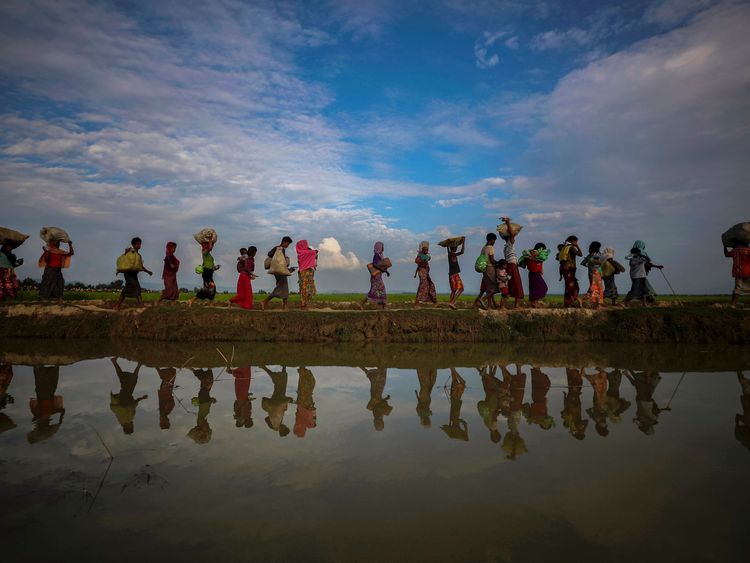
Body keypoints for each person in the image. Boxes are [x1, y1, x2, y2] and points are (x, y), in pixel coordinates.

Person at [27, 365, 65, 443]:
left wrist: (61, 416)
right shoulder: (41, 414)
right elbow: (62, 411)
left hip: (45, 393)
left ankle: (46, 367)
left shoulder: (43, 413)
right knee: (45, 376)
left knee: (44, 376)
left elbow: (62, 411)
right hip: (46, 393)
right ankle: (45, 367)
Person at [109, 357, 147, 435]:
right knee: (132, 381)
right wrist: (141, 398)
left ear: (128, 427)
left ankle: (115, 362)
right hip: (127, 397)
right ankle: (139, 364)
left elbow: (126, 407)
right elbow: (133, 406)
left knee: (128, 381)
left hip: (123, 399)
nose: (133, 425)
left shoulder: (123, 420)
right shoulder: (129, 419)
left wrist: (137, 401)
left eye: (131, 427)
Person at [114, 237, 153, 310]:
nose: (139, 245)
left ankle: (118, 306)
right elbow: (124, 262)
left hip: (134, 275)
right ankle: (140, 305)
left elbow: (140, 266)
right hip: (128, 274)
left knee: (129, 290)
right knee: (136, 288)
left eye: (140, 244)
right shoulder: (130, 252)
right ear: (133, 244)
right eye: (137, 244)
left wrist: (148, 272)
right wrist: (126, 252)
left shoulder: (139, 255)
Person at [262, 236, 296, 311]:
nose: (288, 245)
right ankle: (265, 301)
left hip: (277, 271)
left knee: (284, 287)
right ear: (284, 242)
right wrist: (288, 269)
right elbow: (282, 263)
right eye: (288, 244)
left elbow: (270, 254)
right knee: (280, 287)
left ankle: (285, 305)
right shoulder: (281, 248)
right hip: (280, 271)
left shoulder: (277, 248)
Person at [624, 370, 662, 435]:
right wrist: (658, 410)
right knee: (640, 385)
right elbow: (654, 410)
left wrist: (657, 409)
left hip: (643, 400)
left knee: (639, 384)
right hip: (645, 400)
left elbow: (640, 419)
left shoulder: (649, 420)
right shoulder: (651, 419)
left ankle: (629, 371)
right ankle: (629, 371)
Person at [259, 365, 293, 436]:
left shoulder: (276, 424)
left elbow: (278, 406)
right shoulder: (276, 424)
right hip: (276, 399)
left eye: (285, 427)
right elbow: (267, 418)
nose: (285, 425)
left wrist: (288, 400)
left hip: (276, 401)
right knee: (280, 384)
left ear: (282, 429)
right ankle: (283, 367)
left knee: (280, 383)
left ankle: (282, 366)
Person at [38, 239, 74, 304]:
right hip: (50, 269)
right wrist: (46, 251)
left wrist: (70, 244)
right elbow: (46, 260)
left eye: (59, 243)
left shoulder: (60, 251)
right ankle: (43, 298)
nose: (59, 244)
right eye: (58, 243)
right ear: (55, 244)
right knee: (47, 283)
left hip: (57, 270)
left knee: (60, 283)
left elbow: (71, 253)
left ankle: (60, 298)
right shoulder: (49, 251)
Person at [499, 217, 524, 308]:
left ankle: (504, 305)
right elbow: (512, 234)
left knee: (510, 285)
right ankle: (515, 305)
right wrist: (508, 222)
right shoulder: (509, 244)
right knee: (516, 285)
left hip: (511, 266)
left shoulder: (506, 246)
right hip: (512, 267)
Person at [188, 368, 217, 444]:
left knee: (207, 383)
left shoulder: (200, 422)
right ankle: (207, 369)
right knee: (207, 383)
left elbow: (201, 419)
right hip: (205, 399)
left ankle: (195, 370)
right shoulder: (205, 417)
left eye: (206, 429)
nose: (207, 427)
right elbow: (207, 407)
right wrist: (211, 400)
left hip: (203, 400)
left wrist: (201, 430)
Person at [189, 239, 220, 307]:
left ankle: (193, 300)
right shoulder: (204, 252)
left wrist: (215, 268)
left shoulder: (208, 255)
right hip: (206, 273)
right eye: (209, 245)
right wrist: (211, 241)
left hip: (209, 272)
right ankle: (193, 300)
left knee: (208, 289)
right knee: (212, 287)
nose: (212, 246)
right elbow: (210, 248)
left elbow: (207, 265)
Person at [522, 366, 555, 430]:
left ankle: (536, 366)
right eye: (547, 424)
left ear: (542, 425)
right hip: (540, 396)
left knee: (538, 381)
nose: (545, 423)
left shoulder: (535, 420)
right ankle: (536, 366)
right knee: (542, 382)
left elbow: (527, 408)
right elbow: (545, 403)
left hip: (537, 397)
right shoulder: (545, 415)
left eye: (544, 425)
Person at [441, 368, 469, 441]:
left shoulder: (454, 419)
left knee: (462, 382)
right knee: (455, 380)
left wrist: (462, 422)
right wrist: (460, 422)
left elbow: (465, 424)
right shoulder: (453, 420)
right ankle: (452, 368)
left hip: (456, 399)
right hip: (454, 399)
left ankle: (453, 369)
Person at [359, 242, 389, 310]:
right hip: (375, 277)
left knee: (380, 290)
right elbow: (375, 264)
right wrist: (382, 268)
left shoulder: (380, 255)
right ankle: (361, 304)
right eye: (382, 247)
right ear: (379, 247)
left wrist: (386, 271)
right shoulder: (376, 255)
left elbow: (380, 265)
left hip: (378, 276)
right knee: (377, 290)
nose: (383, 248)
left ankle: (384, 306)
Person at [477, 365, 503, 443]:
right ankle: (488, 367)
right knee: (487, 382)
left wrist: (501, 411)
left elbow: (494, 415)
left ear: (497, 434)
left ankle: (489, 368)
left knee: (496, 385)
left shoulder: (494, 426)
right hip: (487, 402)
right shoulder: (488, 426)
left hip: (492, 403)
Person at [361, 366, 392, 431]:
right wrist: (385, 399)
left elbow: (376, 407)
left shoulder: (377, 416)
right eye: (379, 425)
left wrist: (383, 404)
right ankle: (381, 366)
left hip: (376, 393)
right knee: (377, 379)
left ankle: (382, 365)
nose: (377, 424)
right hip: (377, 393)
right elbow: (379, 404)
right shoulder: (379, 416)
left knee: (378, 378)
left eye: (377, 425)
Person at [561, 367, 588, 440]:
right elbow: (586, 422)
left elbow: (565, 409)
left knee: (572, 382)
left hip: (571, 399)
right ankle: (574, 367)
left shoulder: (570, 423)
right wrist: (582, 430)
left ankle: (570, 366)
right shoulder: (578, 424)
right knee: (575, 383)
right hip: (575, 400)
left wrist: (564, 397)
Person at [474, 233, 498, 309]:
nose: (494, 242)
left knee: (489, 288)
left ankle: (490, 305)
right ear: (491, 240)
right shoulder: (490, 247)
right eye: (494, 240)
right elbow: (492, 260)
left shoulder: (483, 248)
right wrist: (499, 262)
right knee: (494, 288)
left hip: (484, 269)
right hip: (490, 268)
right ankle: (483, 300)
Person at [583, 367, 609, 437]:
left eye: (603, 426)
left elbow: (589, 411)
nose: (604, 425)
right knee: (602, 386)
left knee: (599, 386)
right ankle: (601, 372)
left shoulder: (597, 419)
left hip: (598, 400)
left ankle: (600, 373)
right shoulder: (599, 420)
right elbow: (589, 411)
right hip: (602, 400)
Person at [558, 236, 583, 308]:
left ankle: (568, 303)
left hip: (564, 269)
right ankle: (575, 300)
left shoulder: (564, 247)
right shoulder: (571, 248)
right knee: (572, 286)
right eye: (576, 241)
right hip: (570, 269)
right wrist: (577, 246)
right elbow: (580, 254)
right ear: (573, 241)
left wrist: (560, 274)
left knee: (568, 286)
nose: (576, 243)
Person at [522, 243, 549, 307]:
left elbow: (540, 261)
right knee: (537, 288)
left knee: (539, 288)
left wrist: (541, 269)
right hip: (533, 273)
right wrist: (535, 255)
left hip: (537, 273)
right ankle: (534, 302)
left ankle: (534, 302)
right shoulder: (531, 253)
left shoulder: (540, 255)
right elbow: (530, 259)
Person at [723, 241, 750, 307]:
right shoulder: (748, 250)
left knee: (737, 288)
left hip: (737, 272)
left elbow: (726, 254)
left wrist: (725, 246)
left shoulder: (734, 251)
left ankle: (733, 304)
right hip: (748, 272)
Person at [293, 366, 317, 438]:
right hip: (305, 404)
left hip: (304, 403)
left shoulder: (308, 424)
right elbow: (313, 414)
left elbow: (313, 414)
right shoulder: (309, 424)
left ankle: (302, 369)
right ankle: (303, 369)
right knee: (307, 386)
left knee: (307, 385)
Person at [414, 241, 437, 307]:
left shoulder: (426, 256)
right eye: (425, 249)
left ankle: (434, 301)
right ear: (422, 250)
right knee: (422, 285)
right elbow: (416, 261)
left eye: (427, 249)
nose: (426, 250)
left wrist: (427, 260)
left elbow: (428, 259)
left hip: (426, 272)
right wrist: (422, 261)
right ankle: (417, 302)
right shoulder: (420, 255)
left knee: (429, 285)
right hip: (422, 272)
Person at [296, 240, 318, 310]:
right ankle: (304, 304)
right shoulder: (308, 252)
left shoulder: (300, 254)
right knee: (307, 288)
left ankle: (304, 304)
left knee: (303, 287)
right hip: (308, 272)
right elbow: (315, 252)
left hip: (302, 272)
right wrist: (313, 252)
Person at [581, 241, 604, 309]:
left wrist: (588, 265)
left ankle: (587, 300)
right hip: (597, 272)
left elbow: (582, 263)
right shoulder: (597, 254)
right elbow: (600, 262)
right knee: (598, 288)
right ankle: (597, 305)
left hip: (590, 272)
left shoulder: (589, 255)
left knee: (593, 287)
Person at [446, 238, 465, 310]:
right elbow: (462, 252)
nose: (457, 247)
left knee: (453, 290)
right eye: (456, 246)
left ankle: (451, 305)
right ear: (455, 248)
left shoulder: (449, 254)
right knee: (461, 289)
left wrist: (447, 245)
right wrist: (463, 242)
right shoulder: (452, 254)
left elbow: (448, 250)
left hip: (451, 275)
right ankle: (452, 302)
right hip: (455, 275)